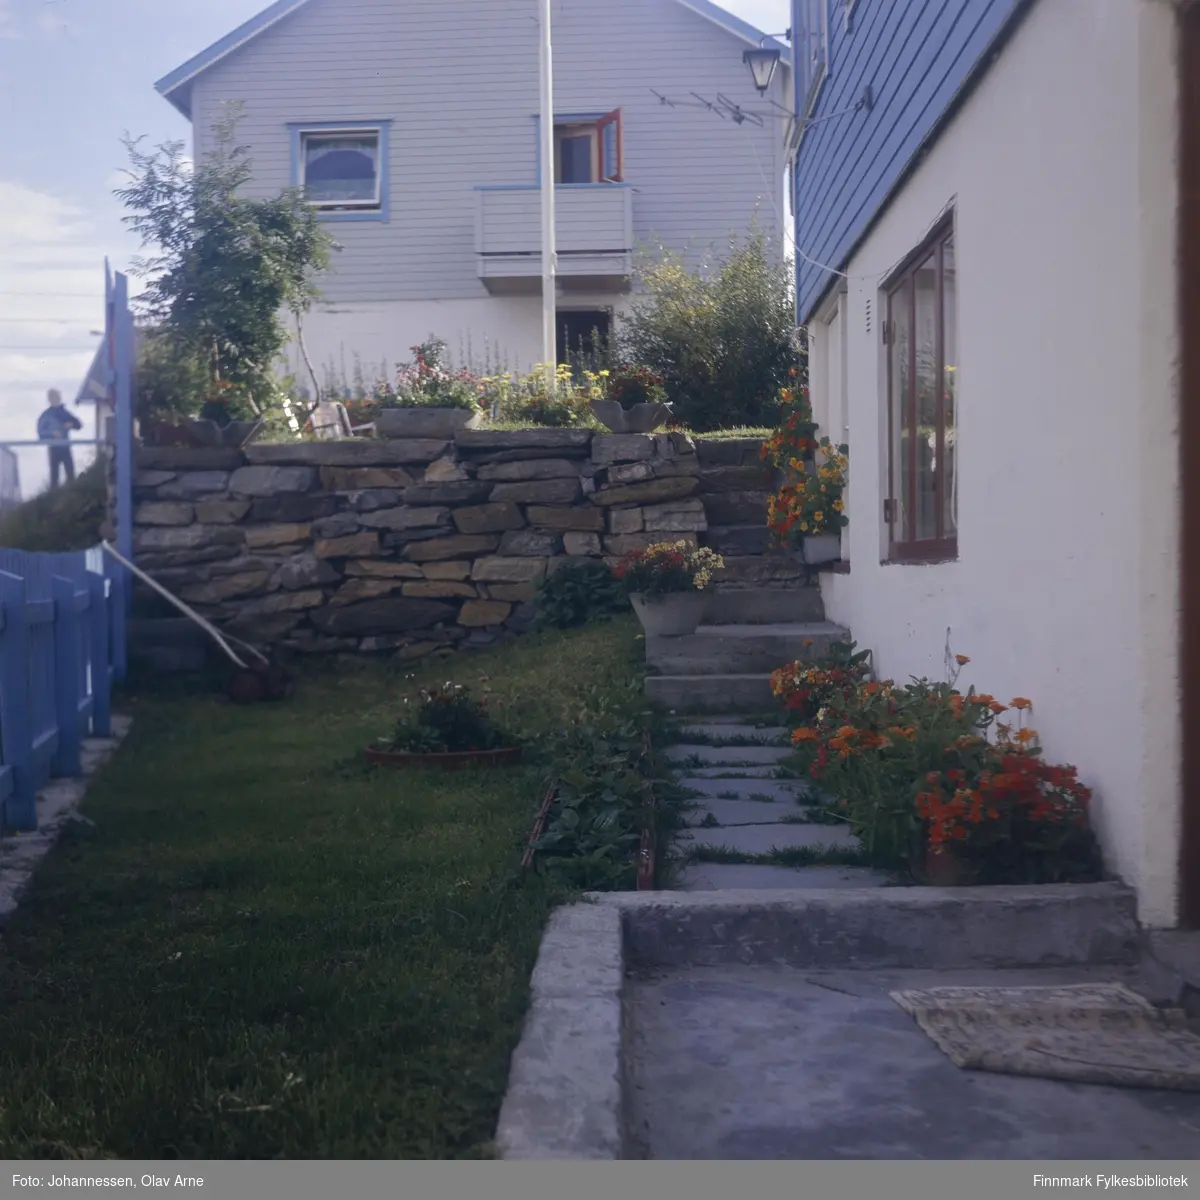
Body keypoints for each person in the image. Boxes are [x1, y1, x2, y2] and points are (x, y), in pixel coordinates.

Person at [37, 388, 83, 489]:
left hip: (65, 446)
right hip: (54, 448)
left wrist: (71, 425)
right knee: (54, 478)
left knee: (70, 475)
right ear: (49, 400)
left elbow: (78, 424)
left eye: (56, 397)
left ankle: (72, 496)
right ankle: (54, 498)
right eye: (53, 398)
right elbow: (40, 433)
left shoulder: (65, 413)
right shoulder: (46, 415)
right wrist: (52, 434)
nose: (55, 399)